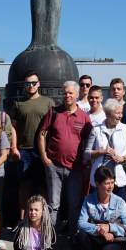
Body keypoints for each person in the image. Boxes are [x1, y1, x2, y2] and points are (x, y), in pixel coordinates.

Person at [39, 80, 91, 234]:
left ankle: (73, 236)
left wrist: (87, 161)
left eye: (70, 93)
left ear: (76, 95)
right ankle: (50, 237)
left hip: (75, 168)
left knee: (74, 204)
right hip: (54, 165)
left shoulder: (83, 117)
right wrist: (44, 157)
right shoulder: (54, 112)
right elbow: (42, 134)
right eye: (65, 93)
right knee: (53, 205)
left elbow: (91, 140)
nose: (67, 96)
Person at [6, 70, 54, 220]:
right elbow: (12, 126)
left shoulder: (48, 103)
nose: (31, 86)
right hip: (24, 151)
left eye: (34, 83)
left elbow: (53, 127)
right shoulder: (19, 104)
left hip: (42, 152)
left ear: (38, 84)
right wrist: (14, 147)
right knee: (24, 187)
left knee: (42, 187)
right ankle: (22, 221)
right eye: (28, 83)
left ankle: (43, 220)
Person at [75, 166, 126, 250]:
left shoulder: (120, 202)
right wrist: (99, 230)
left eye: (112, 182)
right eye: (106, 183)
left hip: (114, 240)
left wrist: (110, 227)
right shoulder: (88, 200)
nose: (110, 186)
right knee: (81, 235)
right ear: (97, 184)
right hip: (96, 237)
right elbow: (80, 223)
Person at [86, 98, 126, 203]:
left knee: (118, 210)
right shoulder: (96, 130)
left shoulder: (125, 129)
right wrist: (101, 152)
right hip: (100, 178)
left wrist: (123, 158)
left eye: (121, 113)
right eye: (117, 113)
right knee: (98, 208)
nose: (120, 116)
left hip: (119, 178)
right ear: (108, 114)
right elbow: (86, 154)